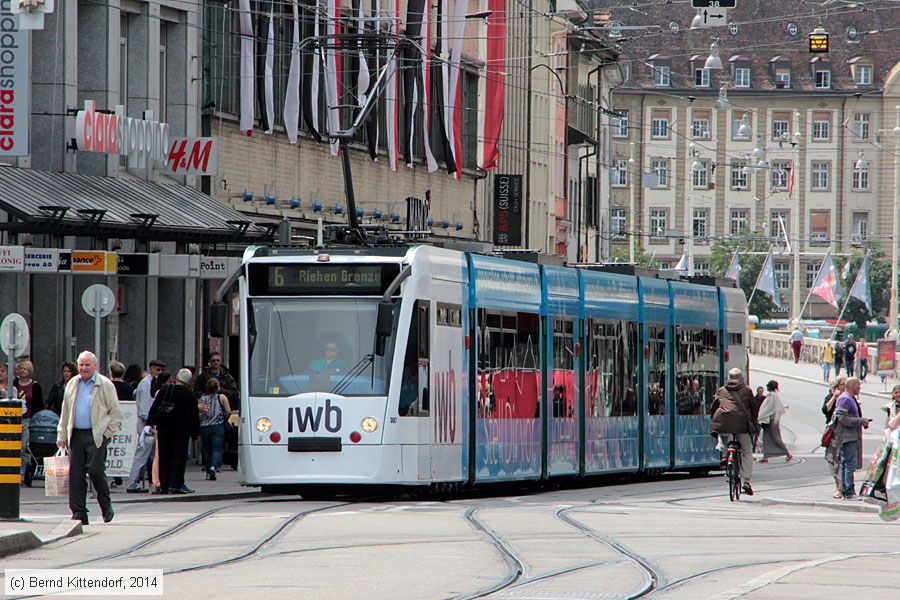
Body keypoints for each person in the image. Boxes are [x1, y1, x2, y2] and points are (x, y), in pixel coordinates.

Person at [56, 351, 123, 525]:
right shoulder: (72, 383)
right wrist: (61, 434)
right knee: (76, 475)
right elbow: (65, 411)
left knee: (95, 470)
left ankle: (106, 507)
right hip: (76, 434)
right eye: (81, 365)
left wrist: (106, 433)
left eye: (87, 365)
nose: (84, 368)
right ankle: (79, 512)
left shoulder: (105, 385)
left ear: (95, 366)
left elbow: (116, 414)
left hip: (96, 435)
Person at [149, 369, 200, 494]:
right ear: (188, 381)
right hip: (181, 431)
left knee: (164, 456)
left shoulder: (165, 390)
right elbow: (194, 417)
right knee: (179, 457)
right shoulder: (190, 395)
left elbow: (154, 408)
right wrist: (195, 434)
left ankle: (164, 485)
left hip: (164, 429)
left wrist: (150, 422)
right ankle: (175, 485)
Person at [709, 368, 758, 496]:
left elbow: (714, 407)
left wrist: (713, 420)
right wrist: (755, 423)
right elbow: (754, 408)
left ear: (729, 378)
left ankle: (725, 455)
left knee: (723, 433)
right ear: (741, 378)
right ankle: (746, 481)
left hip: (724, 423)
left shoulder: (722, 390)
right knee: (747, 452)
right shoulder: (747, 390)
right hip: (742, 425)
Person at [125, 359, 166, 493]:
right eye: (158, 370)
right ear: (152, 369)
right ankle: (134, 483)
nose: (160, 373)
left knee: (152, 455)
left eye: (162, 370)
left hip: (149, 425)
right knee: (143, 454)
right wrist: (150, 422)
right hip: (148, 426)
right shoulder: (147, 384)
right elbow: (145, 408)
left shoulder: (151, 383)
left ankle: (154, 482)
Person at [833, 377, 871, 500]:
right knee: (849, 464)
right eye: (858, 385)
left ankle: (845, 490)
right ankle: (849, 492)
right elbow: (842, 418)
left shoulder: (850, 398)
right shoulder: (845, 398)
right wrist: (861, 421)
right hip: (847, 437)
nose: (860, 388)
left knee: (846, 464)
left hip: (850, 436)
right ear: (852, 386)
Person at [15, 360, 44, 481]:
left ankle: (24, 472)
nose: (22, 371)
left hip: (28, 419)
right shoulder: (15, 384)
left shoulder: (35, 386)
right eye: (20, 369)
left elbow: (39, 404)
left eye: (24, 369)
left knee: (25, 446)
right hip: (15, 418)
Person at [198, 378, 232, 480]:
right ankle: (214, 467)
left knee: (207, 449)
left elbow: (199, 414)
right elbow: (228, 411)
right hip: (218, 426)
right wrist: (224, 417)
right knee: (217, 449)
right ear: (218, 387)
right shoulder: (221, 397)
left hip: (204, 427)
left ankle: (208, 470)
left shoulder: (202, 399)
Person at [822, 376, 847, 499]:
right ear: (837, 386)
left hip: (845, 434)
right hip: (833, 434)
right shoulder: (831, 397)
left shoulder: (849, 398)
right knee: (832, 460)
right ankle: (838, 485)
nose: (845, 387)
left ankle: (841, 487)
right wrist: (834, 397)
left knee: (843, 460)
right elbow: (825, 409)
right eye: (843, 384)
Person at [757, 380, 793, 463]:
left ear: (769, 387)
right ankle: (765, 456)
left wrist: (760, 416)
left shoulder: (771, 397)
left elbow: (768, 409)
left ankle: (788, 453)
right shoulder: (773, 396)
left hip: (771, 421)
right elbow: (777, 408)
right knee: (766, 438)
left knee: (776, 438)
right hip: (770, 420)